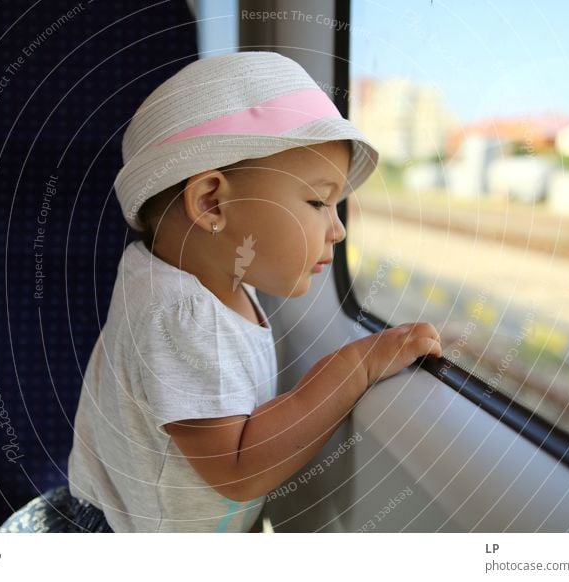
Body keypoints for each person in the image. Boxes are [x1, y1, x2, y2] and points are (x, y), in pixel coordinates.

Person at [67, 51, 442, 533]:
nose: (337, 230)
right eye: (317, 201)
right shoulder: (182, 314)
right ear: (211, 202)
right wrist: (357, 365)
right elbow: (238, 468)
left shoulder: (207, 282)